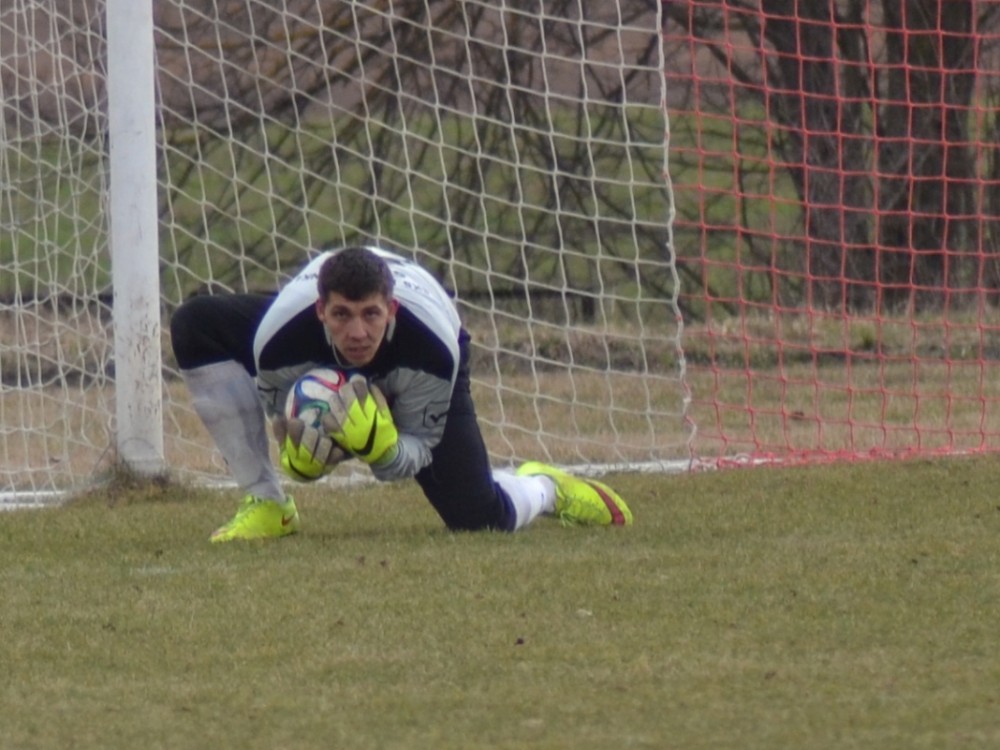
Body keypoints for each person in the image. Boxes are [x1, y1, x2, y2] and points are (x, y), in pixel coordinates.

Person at [169, 246, 633, 542]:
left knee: (479, 519)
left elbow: (415, 451)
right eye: (342, 315)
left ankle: (544, 486)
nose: (357, 332)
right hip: (310, 340)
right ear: (321, 311)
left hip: (417, 360)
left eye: (371, 315)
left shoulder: (430, 347)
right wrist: (301, 461)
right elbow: (285, 422)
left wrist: (383, 449)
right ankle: (267, 503)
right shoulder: (277, 340)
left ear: (390, 309)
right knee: (195, 324)